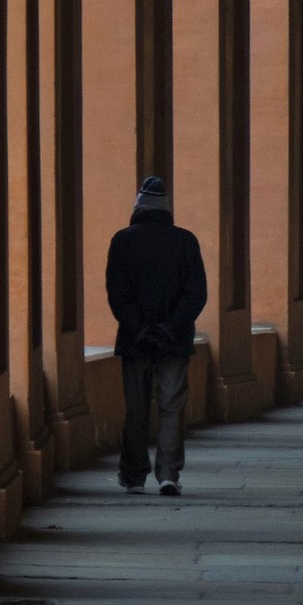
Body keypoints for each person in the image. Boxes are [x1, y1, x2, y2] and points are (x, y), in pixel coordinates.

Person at [105, 175, 207, 496]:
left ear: (138, 206)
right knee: (171, 407)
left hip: (135, 342)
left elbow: (117, 293)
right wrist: (168, 330)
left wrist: (141, 329)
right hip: (174, 342)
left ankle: (134, 476)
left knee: (137, 409)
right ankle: (168, 473)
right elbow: (196, 294)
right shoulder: (186, 241)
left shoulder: (123, 241)